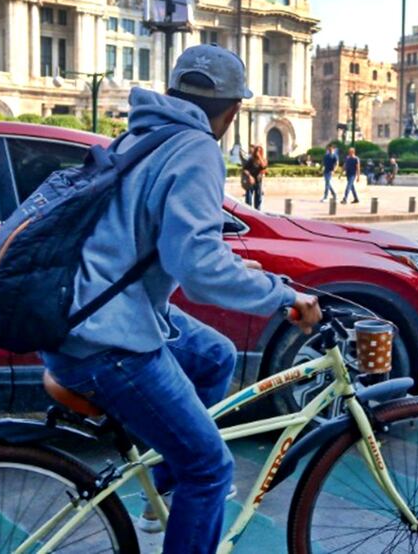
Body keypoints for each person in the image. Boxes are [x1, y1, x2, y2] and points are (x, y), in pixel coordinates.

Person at [39, 44, 321, 554]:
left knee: (215, 355)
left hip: (78, 315)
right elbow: (198, 272)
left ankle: (163, 489)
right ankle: (186, 478)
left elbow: (167, 244)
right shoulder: (196, 148)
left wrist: (234, 269)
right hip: (107, 340)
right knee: (210, 469)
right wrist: (284, 297)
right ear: (232, 111)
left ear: (172, 93)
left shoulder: (139, 135)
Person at [241, 144, 267, 210]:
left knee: (258, 198)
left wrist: (259, 157)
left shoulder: (263, 160)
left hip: (258, 181)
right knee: (249, 198)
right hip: (251, 181)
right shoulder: (251, 160)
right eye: (257, 150)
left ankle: (257, 210)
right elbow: (245, 169)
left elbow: (264, 166)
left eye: (259, 151)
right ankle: (248, 210)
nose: (257, 152)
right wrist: (249, 176)